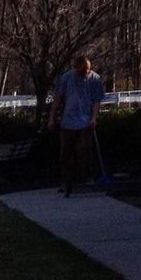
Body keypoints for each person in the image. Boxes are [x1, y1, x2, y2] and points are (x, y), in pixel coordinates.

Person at [50, 54, 106, 196]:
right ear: (76, 68)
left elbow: (96, 100)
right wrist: (52, 118)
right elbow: (58, 99)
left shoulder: (95, 79)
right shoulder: (66, 78)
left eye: (88, 70)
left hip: (85, 120)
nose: (86, 73)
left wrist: (94, 118)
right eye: (83, 70)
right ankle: (65, 181)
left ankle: (86, 178)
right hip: (68, 121)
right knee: (65, 153)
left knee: (84, 149)